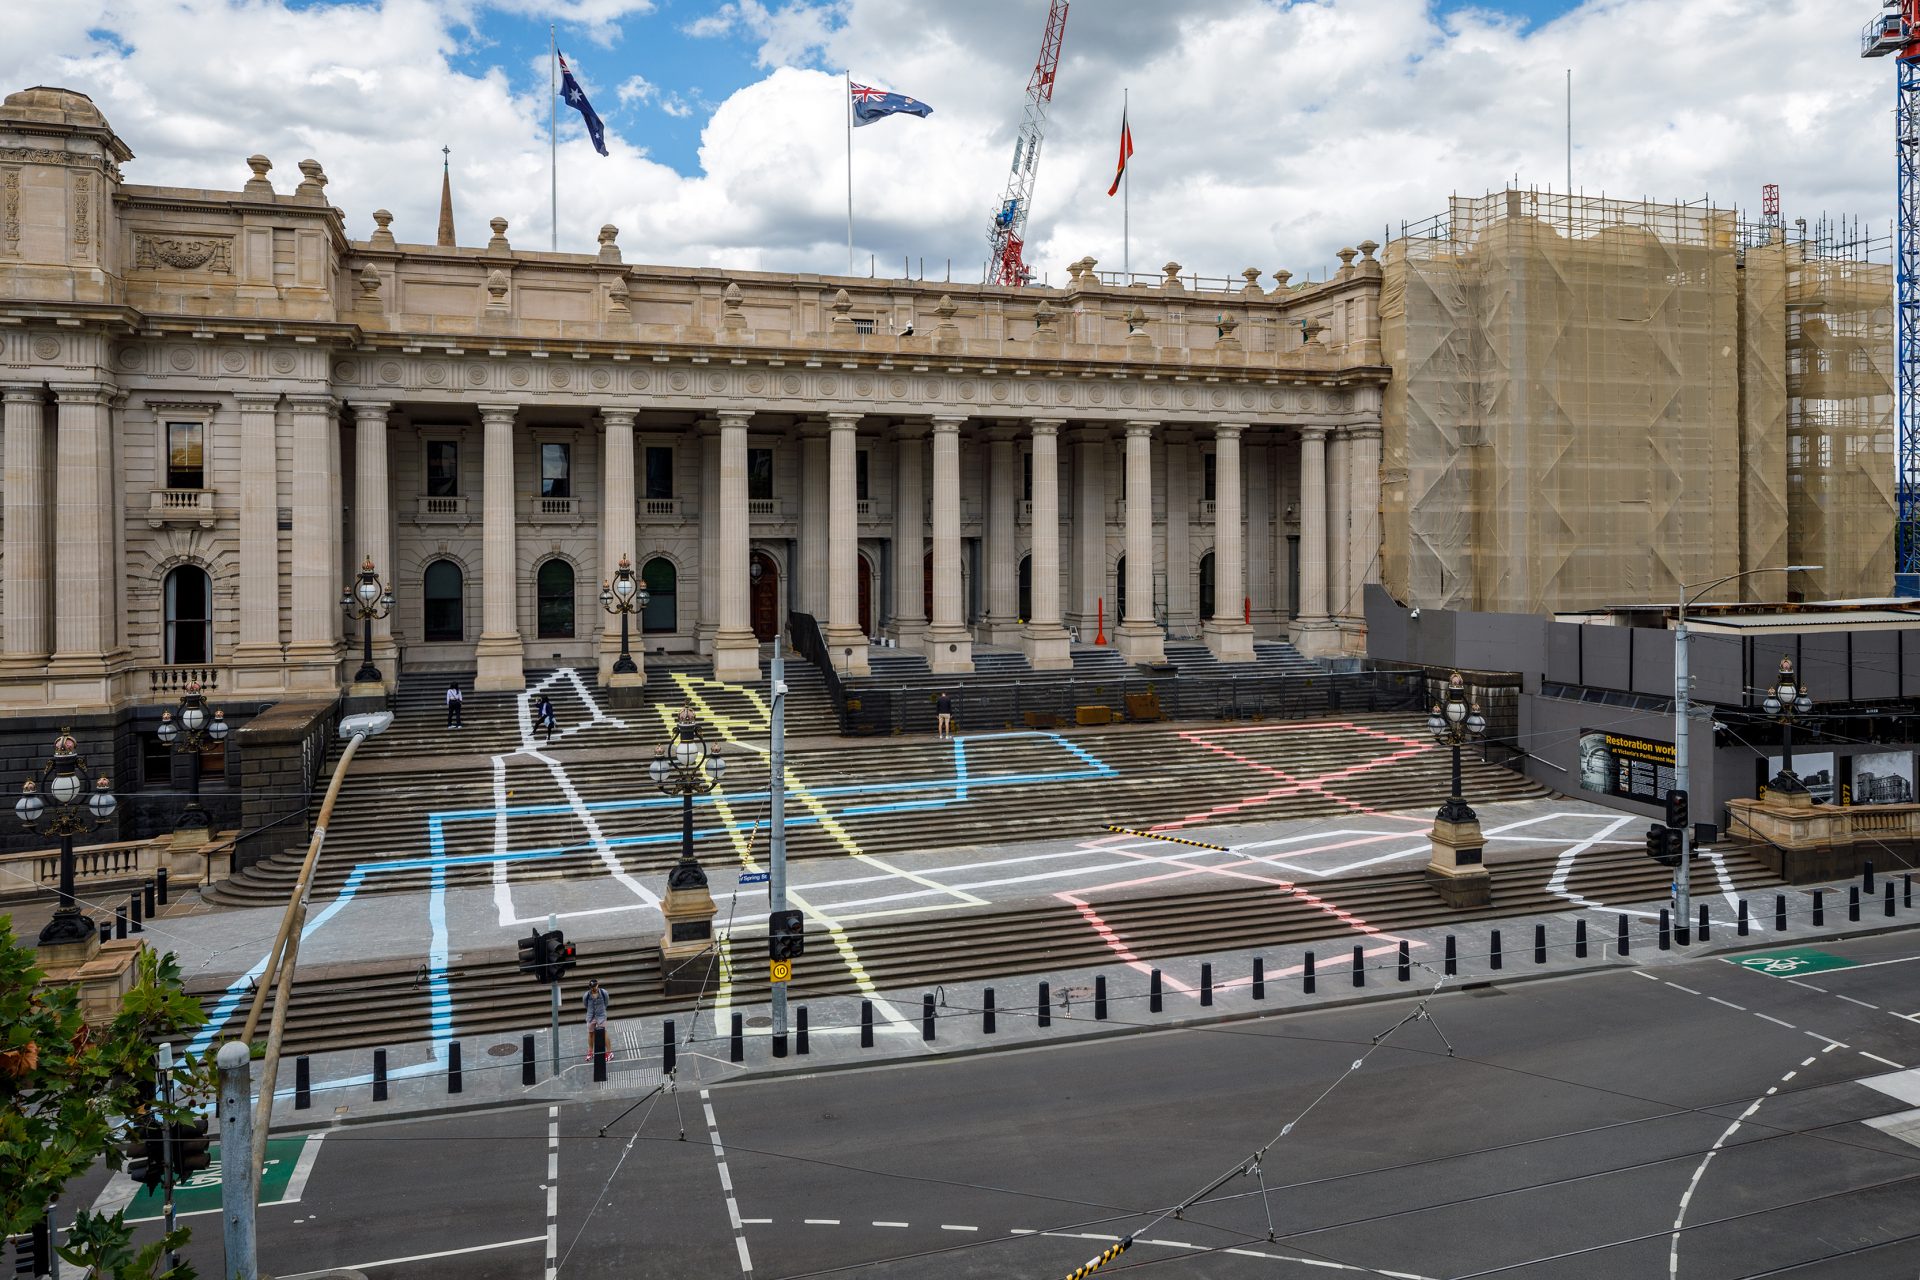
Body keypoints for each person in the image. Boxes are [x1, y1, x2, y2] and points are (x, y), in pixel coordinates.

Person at [582, 978, 609, 1062]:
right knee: (590, 1033)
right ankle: (590, 1052)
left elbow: (606, 1002)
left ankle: (609, 1052)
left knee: (604, 1033)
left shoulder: (603, 993)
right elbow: (585, 1004)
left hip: (601, 1016)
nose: (593, 988)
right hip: (591, 1016)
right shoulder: (586, 995)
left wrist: (602, 1010)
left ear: (598, 985)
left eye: (595, 986)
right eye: (592, 986)